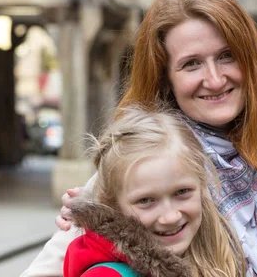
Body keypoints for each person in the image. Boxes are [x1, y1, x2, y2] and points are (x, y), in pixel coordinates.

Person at [21, 0, 257, 277]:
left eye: (227, 56)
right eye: (192, 64)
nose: (215, 80)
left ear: (250, 60)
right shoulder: (137, 162)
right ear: (166, 79)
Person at [64, 106, 245, 277]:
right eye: (146, 200)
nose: (170, 217)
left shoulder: (213, 253)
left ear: (202, 187)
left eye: (182, 191)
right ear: (111, 204)